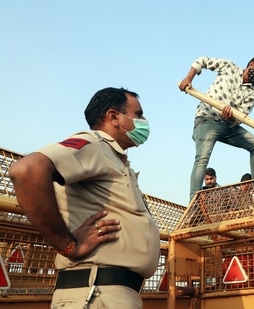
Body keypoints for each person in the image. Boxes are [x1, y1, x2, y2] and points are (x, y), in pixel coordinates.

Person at [9, 87, 160, 309]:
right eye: (138, 114)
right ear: (113, 117)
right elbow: (27, 171)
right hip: (96, 293)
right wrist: (67, 245)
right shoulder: (95, 144)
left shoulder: (115, 158)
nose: (143, 121)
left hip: (111, 294)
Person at [178, 55, 254, 200]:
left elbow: (242, 115)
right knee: (202, 158)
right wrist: (189, 78)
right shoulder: (229, 67)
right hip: (207, 119)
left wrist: (231, 117)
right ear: (251, 65)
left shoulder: (253, 93)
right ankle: (194, 203)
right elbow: (202, 61)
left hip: (228, 126)